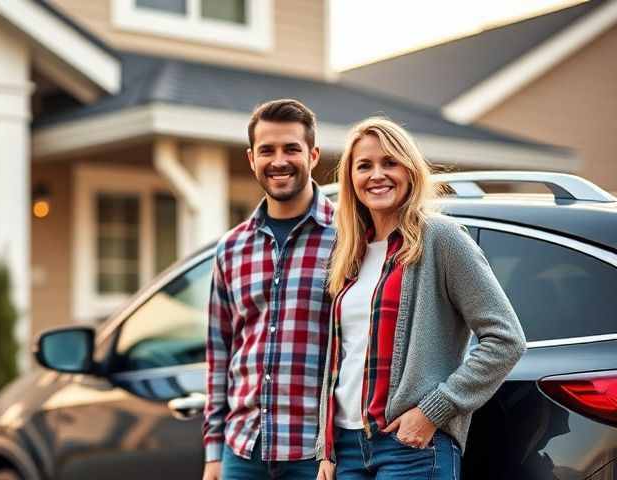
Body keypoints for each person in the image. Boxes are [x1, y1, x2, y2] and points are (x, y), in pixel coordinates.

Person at [315, 117, 526, 480]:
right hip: (347, 451)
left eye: (389, 162)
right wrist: (327, 450)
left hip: (410, 448)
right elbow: (342, 358)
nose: (376, 174)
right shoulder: (349, 253)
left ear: (410, 171)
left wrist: (433, 410)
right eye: (364, 166)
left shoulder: (441, 239)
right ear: (351, 178)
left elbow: (506, 339)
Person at [203, 99, 336, 480]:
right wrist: (214, 453)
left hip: (317, 453)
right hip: (242, 451)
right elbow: (219, 354)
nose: (279, 161)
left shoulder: (348, 238)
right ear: (251, 159)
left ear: (312, 155)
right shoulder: (231, 247)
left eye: (291, 148)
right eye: (267, 150)